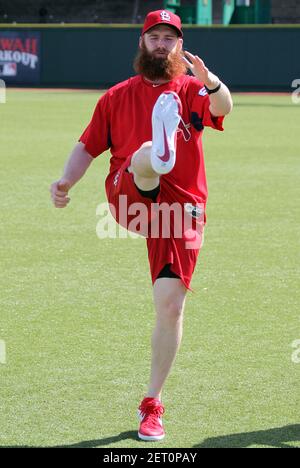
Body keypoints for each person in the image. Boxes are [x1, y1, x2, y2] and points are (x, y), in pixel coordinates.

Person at [50, 10, 232, 442]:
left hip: (181, 209)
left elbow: (225, 108)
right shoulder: (116, 96)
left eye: (171, 38)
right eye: (155, 37)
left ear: (179, 45)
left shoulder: (191, 89)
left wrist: (212, 83)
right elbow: (87, 147)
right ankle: (153, 156)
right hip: (129, 197)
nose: (163, 44)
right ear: (142, 41)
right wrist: (65, 182)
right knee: (142, 158)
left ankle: (152, 402)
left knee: (170, 307)